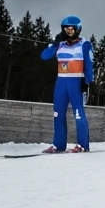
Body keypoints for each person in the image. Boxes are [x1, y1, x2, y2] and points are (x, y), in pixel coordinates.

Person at [40, 16, 93, 152]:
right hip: (61, 81)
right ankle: (58, 144)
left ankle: (82, 145)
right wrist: (55, 43)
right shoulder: (60, 45)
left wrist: (87, 82)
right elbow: (44, 56)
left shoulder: (85, 44)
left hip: (76, 81)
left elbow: (89, 65)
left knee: (78, 113)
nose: (69, 32)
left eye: (72, 29)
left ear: (78, 29)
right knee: (58, 113)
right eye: (66, 29)